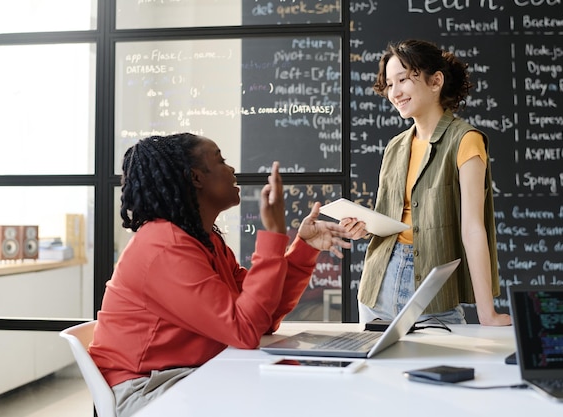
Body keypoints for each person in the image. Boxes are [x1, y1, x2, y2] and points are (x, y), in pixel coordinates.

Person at [88, 133, 352, 417]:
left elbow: (261, 316)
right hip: (148, 389)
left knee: (302, 390)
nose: (232, 169)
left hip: (193, 373)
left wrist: (303, 249)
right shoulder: (165, 246)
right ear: (196, 177)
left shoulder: (202, 240)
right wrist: (273, 232)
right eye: (221, 160)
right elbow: (245, 330)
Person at [341, 39, 511, 327]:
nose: (395, 92)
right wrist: (364, 228)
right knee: (375, 373)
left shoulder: (466, 140)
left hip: (433, 292)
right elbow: (391, 220)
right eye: (389, 84)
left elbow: (472, 228)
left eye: (403, 80)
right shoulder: (395, 146)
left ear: (435, 82)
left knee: (438, 371)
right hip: (376, 286)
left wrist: (487, 313)